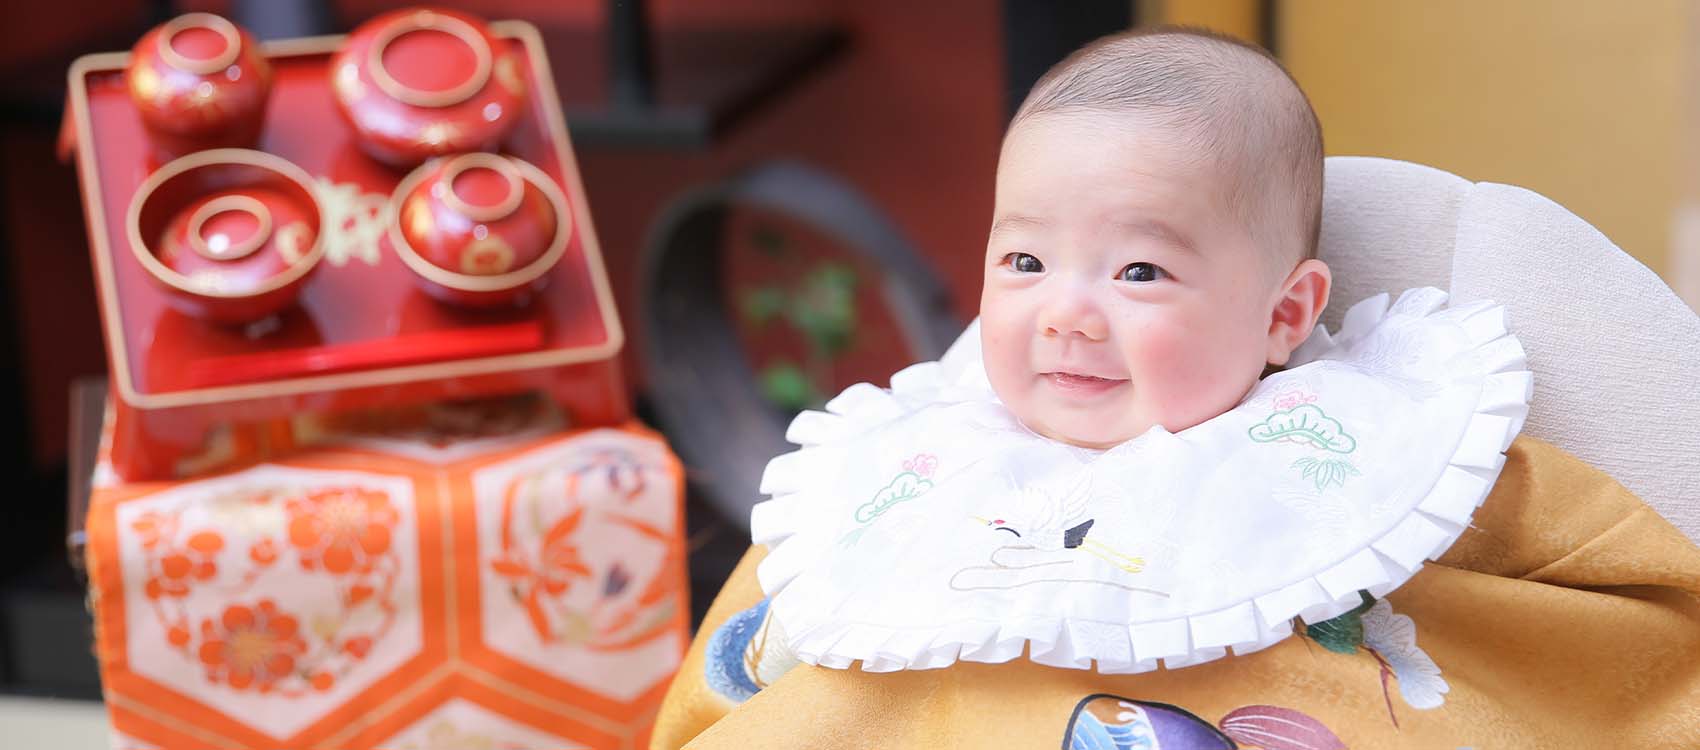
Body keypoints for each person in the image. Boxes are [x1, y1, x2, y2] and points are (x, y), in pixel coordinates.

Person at [651, 27, 1700, 749]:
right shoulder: (925, 454)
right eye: (1023, 264)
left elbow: (1584, 580)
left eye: (1138, 272)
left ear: (1283, 316)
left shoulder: (1357, 448)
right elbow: (766, 636)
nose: (1064, 311)